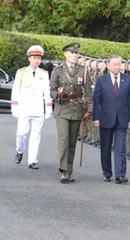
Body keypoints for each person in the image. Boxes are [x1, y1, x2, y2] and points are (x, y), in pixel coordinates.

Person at [49, 42, 93, 183]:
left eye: (76, 53)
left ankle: (69, 170)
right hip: (62, 108)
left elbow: (88, 92)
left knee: (73, 141)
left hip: (77, 109)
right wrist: (58, 95)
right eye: (72, 53)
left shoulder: (83, 70)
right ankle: (63, 170)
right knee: (64, 139)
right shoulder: (58, 70)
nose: (75, 55)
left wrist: (89, 109)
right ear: (65, 54)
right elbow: (51, 89)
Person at [93, 55, 130, 184]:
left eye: (119, 64)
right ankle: (107, 172)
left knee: (120, 147)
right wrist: (96, 118)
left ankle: (120, 175)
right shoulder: (102, 80)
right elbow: (96, 101)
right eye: (115, 64)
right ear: (108, 65)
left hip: (122, 119)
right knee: (105, 148)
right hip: (105, 118)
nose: (118, 67)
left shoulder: (127, 80)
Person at [11, 45, 52, 170]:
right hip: (24, 108)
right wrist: (15, 107)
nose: (36, 60)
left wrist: (48, 108)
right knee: (21, 134)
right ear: (29, 58)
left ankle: (32, 160)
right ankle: (20, 150)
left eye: (38, 58)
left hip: (38, 109)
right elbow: (15, 90)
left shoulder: (44, 74)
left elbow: (47, 92)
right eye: (34, 58)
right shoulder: (21, 72)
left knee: (36, 136)